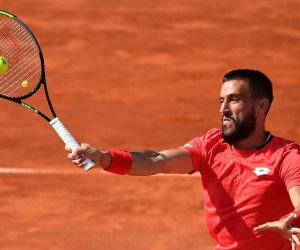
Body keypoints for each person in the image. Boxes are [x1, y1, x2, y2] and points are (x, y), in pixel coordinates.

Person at [66, 69, 300, 250]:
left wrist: (291, 220)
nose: (223, 109)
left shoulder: (286, 155)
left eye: (234, 100)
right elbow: (155, 160)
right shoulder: (211, 145)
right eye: (221, 101)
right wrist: (105, 158)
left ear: (261, 105)